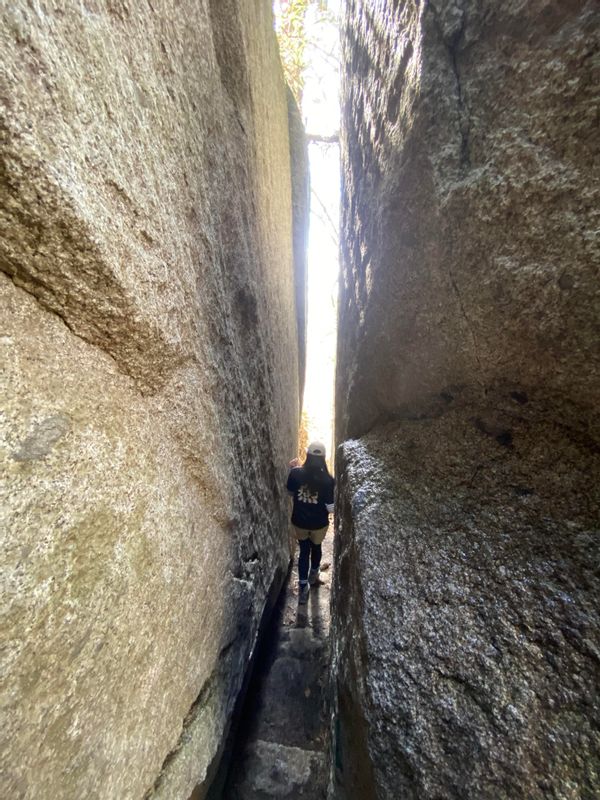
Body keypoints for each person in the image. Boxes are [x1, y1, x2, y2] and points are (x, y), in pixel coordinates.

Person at [287, 441, 335, 604]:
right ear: (323, 458)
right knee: (316, 548)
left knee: (303, 551)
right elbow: (330, 508)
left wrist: (293, 470)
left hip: (299, 521)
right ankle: (313, 576)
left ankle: (302, 587)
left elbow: (289, 492)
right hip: (318, 524)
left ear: (308, 455)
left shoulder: (296, 473)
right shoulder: (328, 480)